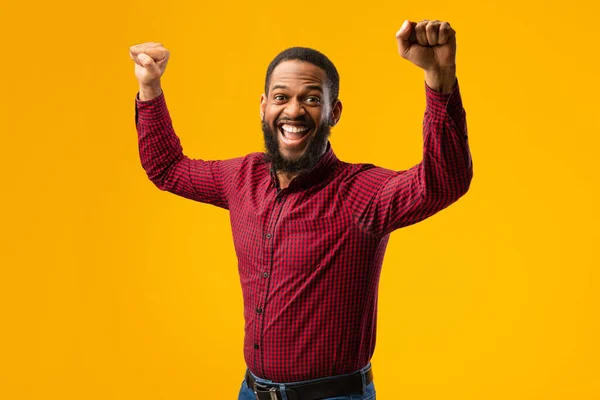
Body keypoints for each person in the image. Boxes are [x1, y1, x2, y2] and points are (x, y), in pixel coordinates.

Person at [130, 18, 472, 400]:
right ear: (263, 107)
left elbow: (444, 182)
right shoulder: (240, 178)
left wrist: (439, 79)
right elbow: (167, 167)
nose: (294, 111)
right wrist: (150, 86)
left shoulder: (361, 193)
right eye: (281, 97)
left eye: (311, 98)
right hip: (252, 391)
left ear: (334, 112)